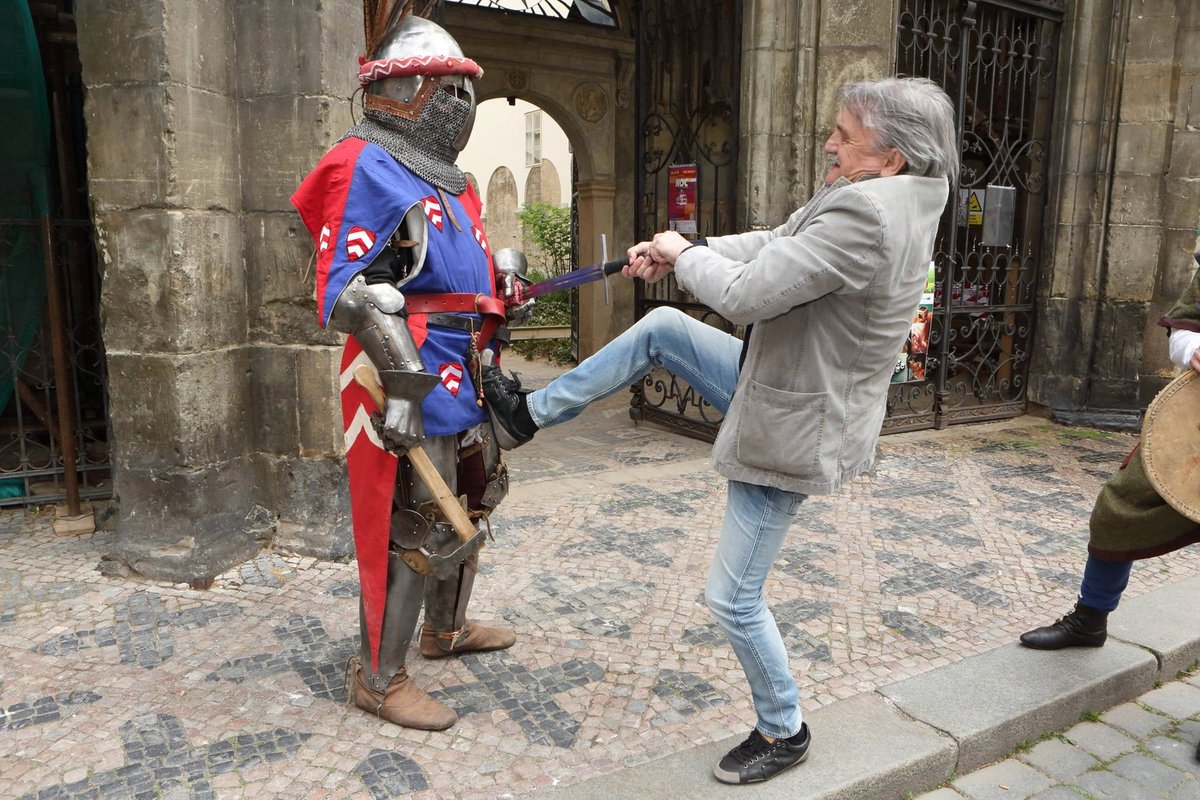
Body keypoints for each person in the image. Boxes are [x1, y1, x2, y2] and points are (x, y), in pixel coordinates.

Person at [484, 76, 958, 784]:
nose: (829, 142)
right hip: (780, 380)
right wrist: (687, 244)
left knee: (731, 596)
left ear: (890, 158)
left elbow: (746, 293)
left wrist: (684, 258)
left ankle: (783, 729)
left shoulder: (871, 215)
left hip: (799, 419)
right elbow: (776, 243)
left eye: (845, 136)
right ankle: (528, 416)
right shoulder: (873, 195)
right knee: (664, 328)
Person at [290, 8, 519, 731]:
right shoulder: (363, 161)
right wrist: (403, 393)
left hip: (463, 361)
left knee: (477, 492)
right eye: (447, 88)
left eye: (464, 91)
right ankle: (380, 678)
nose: (460, 106)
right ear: (408, 88)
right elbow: (349, 292)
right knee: (418, 520)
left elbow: (445, 269)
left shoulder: (450, 179)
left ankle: (445, 630)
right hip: (407, 367)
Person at [1019, 250, 1200, 669]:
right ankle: (1090, 619)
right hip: (1192, 430)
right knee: (1118, 508)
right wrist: (1193, 350)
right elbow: (1184, 327)